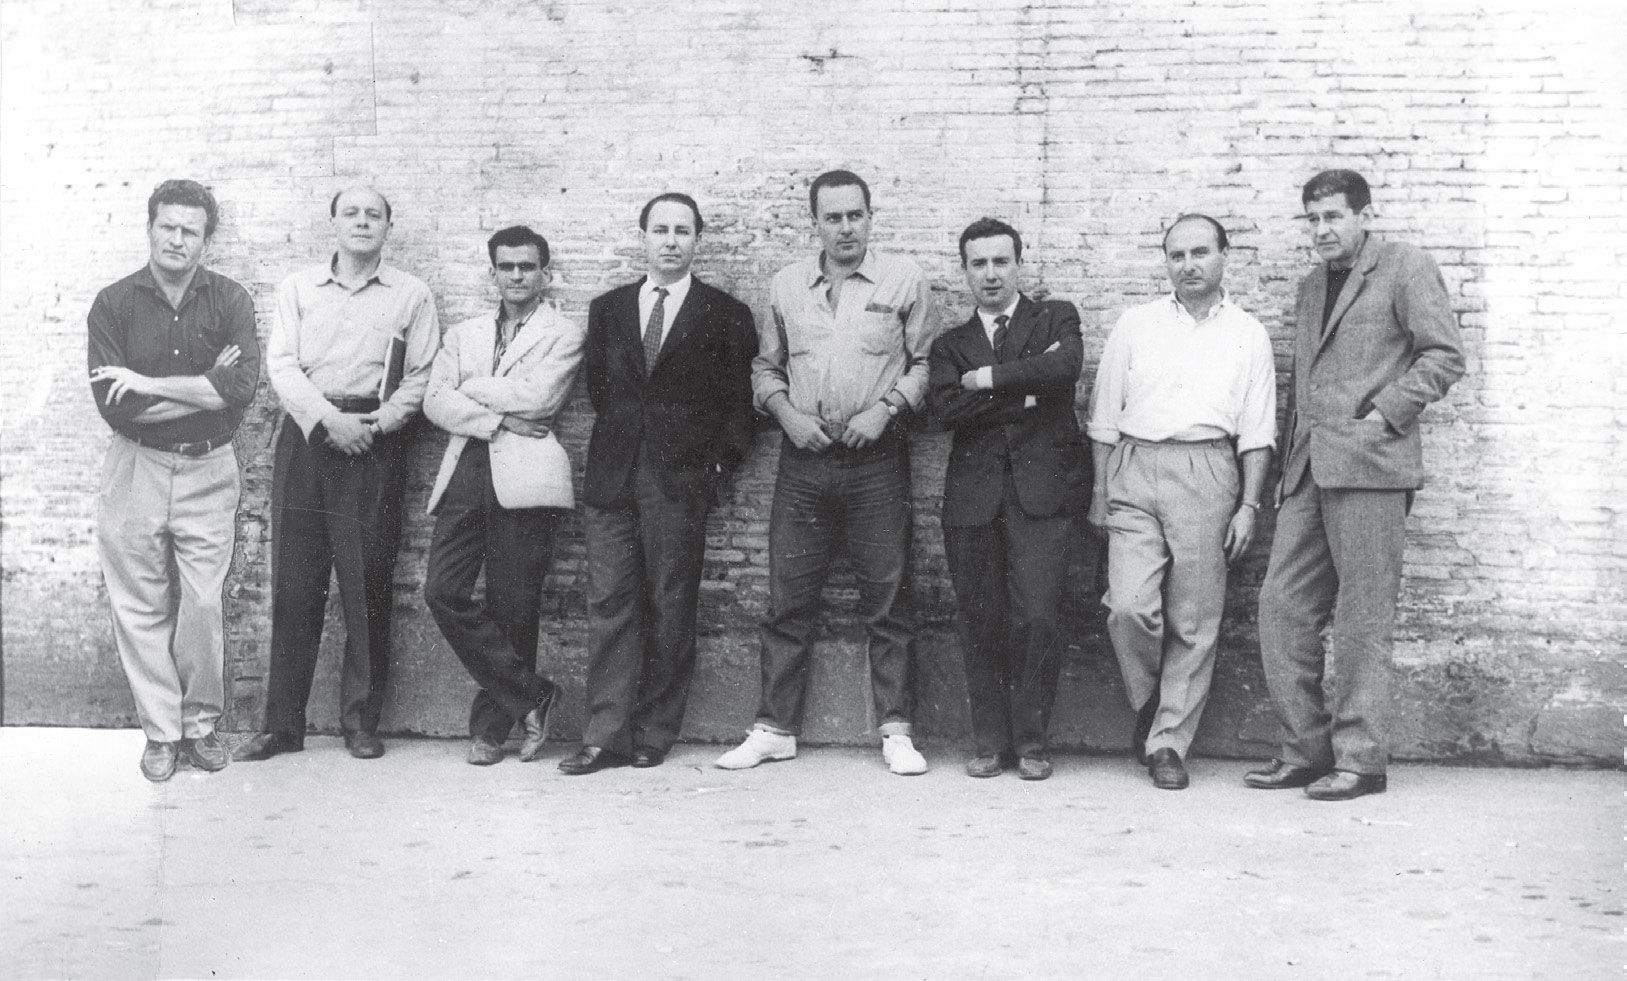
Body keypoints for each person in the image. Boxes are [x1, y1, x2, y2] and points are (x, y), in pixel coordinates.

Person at [1249, 170, 1465, 800]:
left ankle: (1362, 761)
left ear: (1365, 216)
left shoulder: (1404, 267)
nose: (1322, 230)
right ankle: (1305, 750)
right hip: (1309, 468)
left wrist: (1384, 414)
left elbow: (1444, 354)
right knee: (1281, 608)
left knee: (1362, 617)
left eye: (1334, 217)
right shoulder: (1312, 285)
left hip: (1371, 466)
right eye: (1312, 219)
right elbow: (1308, 383)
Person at [716, 170, 941, 776]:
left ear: (871, 217)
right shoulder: (788, 285)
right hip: (804, 460)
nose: (845, 228)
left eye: (855, 216)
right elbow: (765, 368)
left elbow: (925, 364)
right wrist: (787, 416)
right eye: (832, 217)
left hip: (876, 461)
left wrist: (886, 410)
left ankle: (896, 731)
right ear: (814, 222)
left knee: (888, 597)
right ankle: (772, 728)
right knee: (787, 598)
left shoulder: (904, 280)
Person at [556, 193, 757, 776]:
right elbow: (603, 391)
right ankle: (605, 735)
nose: (671, 240)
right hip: (613, 474)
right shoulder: (609, 309)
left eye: (683, 230)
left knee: (671, 603)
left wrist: (713, 468)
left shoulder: (725, 313)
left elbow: (739, 409)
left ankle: (654, 730)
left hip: (679, 481)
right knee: (610, 603)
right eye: (661, 229)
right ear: (642, 237)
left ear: (698, 239)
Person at [236, 186, 440, 762]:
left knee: (367, 585)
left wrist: (374, 425)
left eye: (374, 214)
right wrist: (328, 420)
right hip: (308, 438)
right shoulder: (298, 288)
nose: (362, 221)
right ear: (333, 223)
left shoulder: (411, 294)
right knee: (295, 582)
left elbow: (421, 374)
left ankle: (360, 723)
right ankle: (282, 726)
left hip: (374, 443)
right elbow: (281, 362)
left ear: (388, 227)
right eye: (351, 212)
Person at [1087, 214, 1276, 790]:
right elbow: (1103, 416)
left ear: (1224, 256)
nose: (1188, 265)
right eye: (1176, 255)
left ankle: (1168, 742)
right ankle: (1152, 706)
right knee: (1128, 606)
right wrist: (1100, 490)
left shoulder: (1248, 333)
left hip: (1208, 469)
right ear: (1165, 262)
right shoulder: (1135, 324)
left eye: (1200, 253)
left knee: (1195, 619)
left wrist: (1247, 506)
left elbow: (1258, 431)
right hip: (1135, 467)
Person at [88, 179, 260, 782]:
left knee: (203, 604)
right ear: (150, 228)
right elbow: (114, 406)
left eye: (191, 230)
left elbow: (238, 393)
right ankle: (161, 734)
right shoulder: (113, 303)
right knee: (138, 603)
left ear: (206, 240)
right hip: (134, 466)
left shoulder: (232, 301)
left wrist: (150, 383)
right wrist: (204, 388)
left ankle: (201, 726)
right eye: (168, 226)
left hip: (210, 469)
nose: (178, 239)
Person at [927, 218, 1087, 781]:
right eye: (978, 264)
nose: (990, 274)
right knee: (980, 619)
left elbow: (1063, 370)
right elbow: (944, 410)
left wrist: (987, 379)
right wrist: (1023, 396)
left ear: (1019, 263)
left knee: (1038, 617)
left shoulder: (1055, 316)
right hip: (972, 503)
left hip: (1042, 497)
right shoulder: (950, 343)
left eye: (1001, 262)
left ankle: (1033, 741)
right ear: (965, 270)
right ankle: (991, 742)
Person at [422, 225, 584, 766]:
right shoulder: (463, 333)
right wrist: (499, 419)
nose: (517, 275)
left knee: (514, 605)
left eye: (528, 266)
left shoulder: (563, 333)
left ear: (545, 272)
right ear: (492, 273)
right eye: (507, 266)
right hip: (467, 466)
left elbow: (538, 399)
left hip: (529, 474)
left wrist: (471, 392)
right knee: (442, 589)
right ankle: (535, 693)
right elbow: (432, 401)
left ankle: (492, 730)